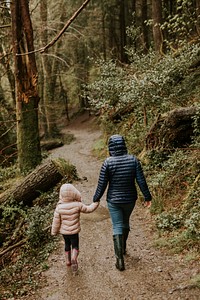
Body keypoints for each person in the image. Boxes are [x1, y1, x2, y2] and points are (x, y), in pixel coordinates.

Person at [93, 134, 152, 271]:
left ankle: (119, 260)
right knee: (125, 223)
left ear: (110, 147)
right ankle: (123, 247)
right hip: (130, 199)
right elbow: (141, 181)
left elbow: (102, 184)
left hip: (113, 200)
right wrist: (147, 197)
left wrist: (96, 198)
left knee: (117, 225)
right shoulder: (134, 160)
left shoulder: (108, 162)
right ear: (124, 145)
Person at [51, 183, 99, 273]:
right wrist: (96, 203)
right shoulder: (77, 205)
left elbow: (56, 221)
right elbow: (89, 209)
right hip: (74, 232)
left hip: (65, 233)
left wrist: (54, 231)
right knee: (75, 245)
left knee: (67, 245)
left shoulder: (59, 207)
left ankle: (68, 261)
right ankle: (74, 257)